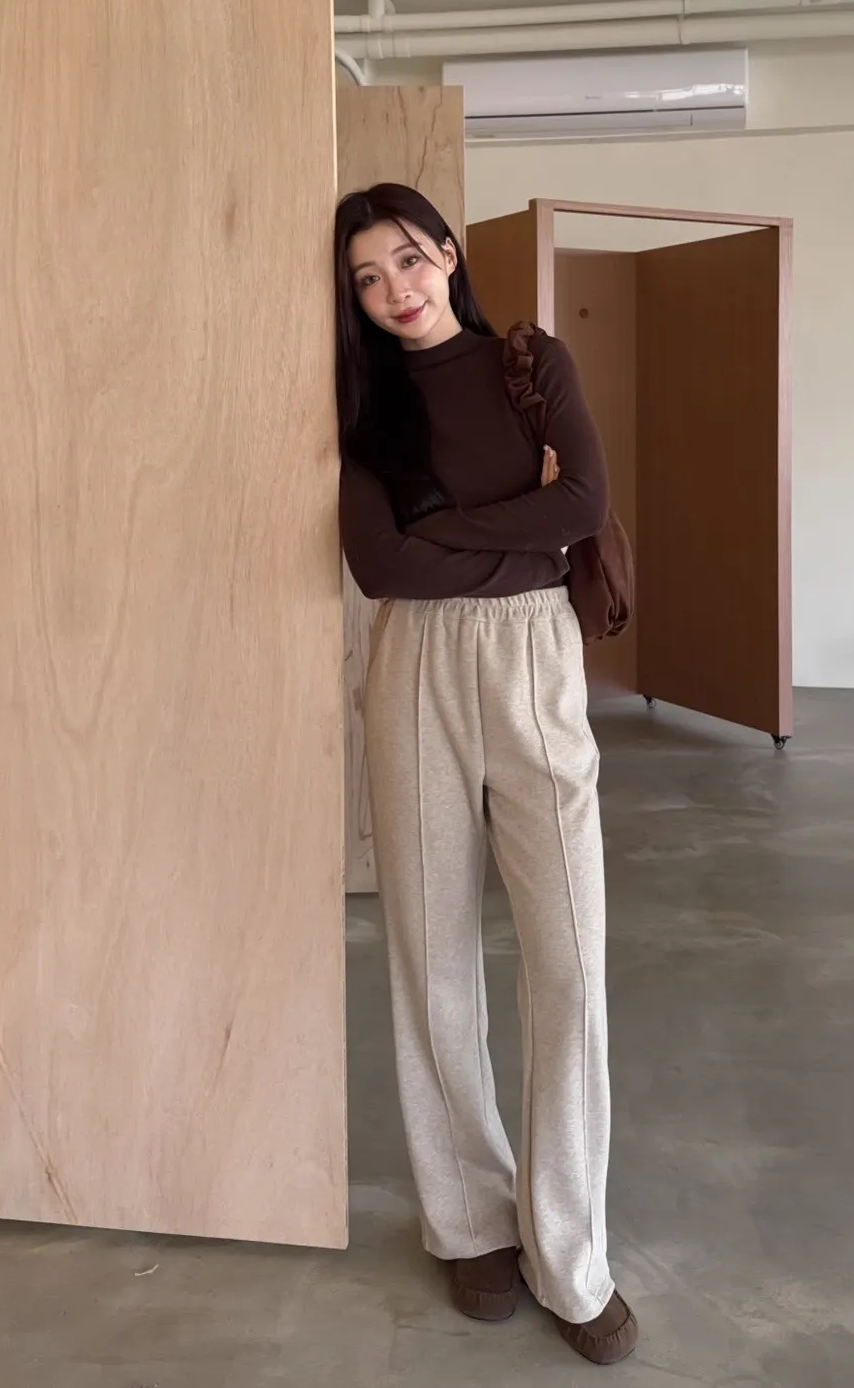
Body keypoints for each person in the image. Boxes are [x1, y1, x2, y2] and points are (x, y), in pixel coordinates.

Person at [335, 182, 638, 1367]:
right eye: (368, 277)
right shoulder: (364, 397)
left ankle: (571, 1252)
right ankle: (469, 1218)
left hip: (534, 664)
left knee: (570, 959)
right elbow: (379, 566)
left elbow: (585, 502)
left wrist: (456, 528)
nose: (396, 290)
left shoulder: (529, 362)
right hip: (412, 667)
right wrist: (523, 528)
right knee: (431, 952)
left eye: (409, 259)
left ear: (448, 254)